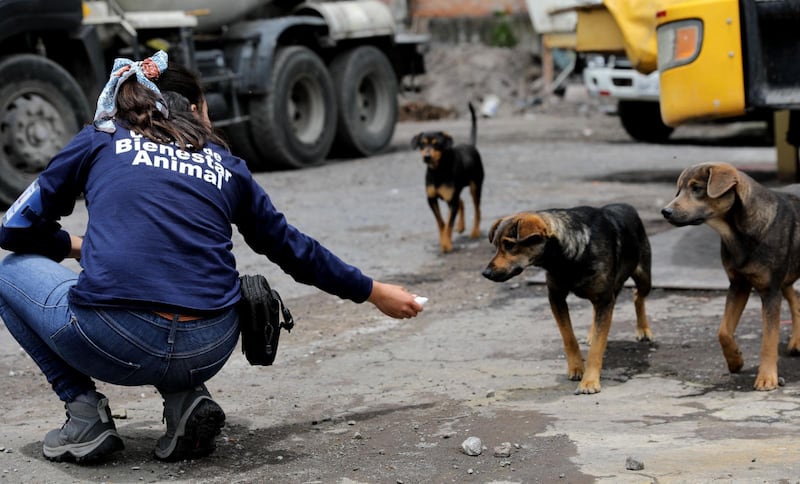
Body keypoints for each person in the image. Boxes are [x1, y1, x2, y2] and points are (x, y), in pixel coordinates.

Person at [0, 51, 423, 464]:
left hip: (114, 340)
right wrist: (373, 291)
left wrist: (73, 246)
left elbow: (13, 229)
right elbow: (293, 249)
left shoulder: (101, 138)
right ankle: (187, 398)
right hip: (210, 346)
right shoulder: (226, 164)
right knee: (185, 279)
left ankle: (85, 414)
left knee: (8, 273)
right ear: (197, 107)